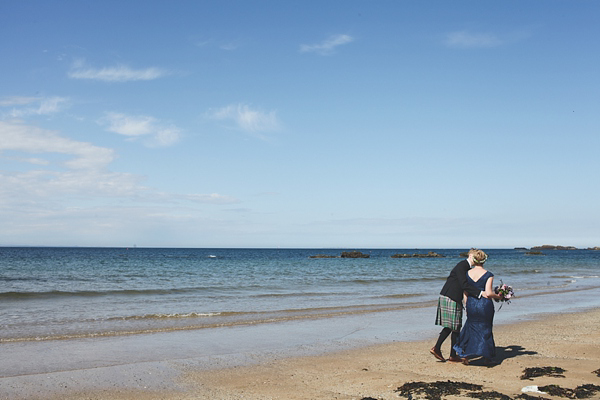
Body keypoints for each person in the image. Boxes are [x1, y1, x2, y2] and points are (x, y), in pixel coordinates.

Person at [430, 249, 486, 363]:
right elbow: (464, 284)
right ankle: (437, 348)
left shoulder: (466, 267)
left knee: (455, 327)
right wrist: (480, 293)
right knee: (453, 326)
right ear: (470, 256)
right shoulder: (462, 266)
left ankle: (452, 355)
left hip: (452, 296)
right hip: (450, 296)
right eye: (475, 257)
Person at [452, 249, 503, 364]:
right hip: (484, 305)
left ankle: (464, 353)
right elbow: (489, 293)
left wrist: (466, 304)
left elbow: (465, 291)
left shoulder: (467, 274)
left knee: (471, 327)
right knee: (485, 328)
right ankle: (486, 356)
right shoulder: (488, 275)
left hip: (471, 303)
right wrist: (499, 296)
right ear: (484, 260)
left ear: (474, 260)